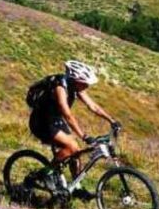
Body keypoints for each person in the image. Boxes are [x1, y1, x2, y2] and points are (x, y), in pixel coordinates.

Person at [28, 60, 121, 196]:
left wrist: (111, 120)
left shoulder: (76, 87)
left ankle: (76, 186)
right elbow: (67, 114)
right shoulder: (60, 88)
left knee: (76, 152)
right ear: (76, 80)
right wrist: (84, 135)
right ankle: (46, 173)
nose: (87, 86)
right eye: (85, 83)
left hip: (55, 120)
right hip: (41, 122)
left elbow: (93, 106)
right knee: (71, 148)